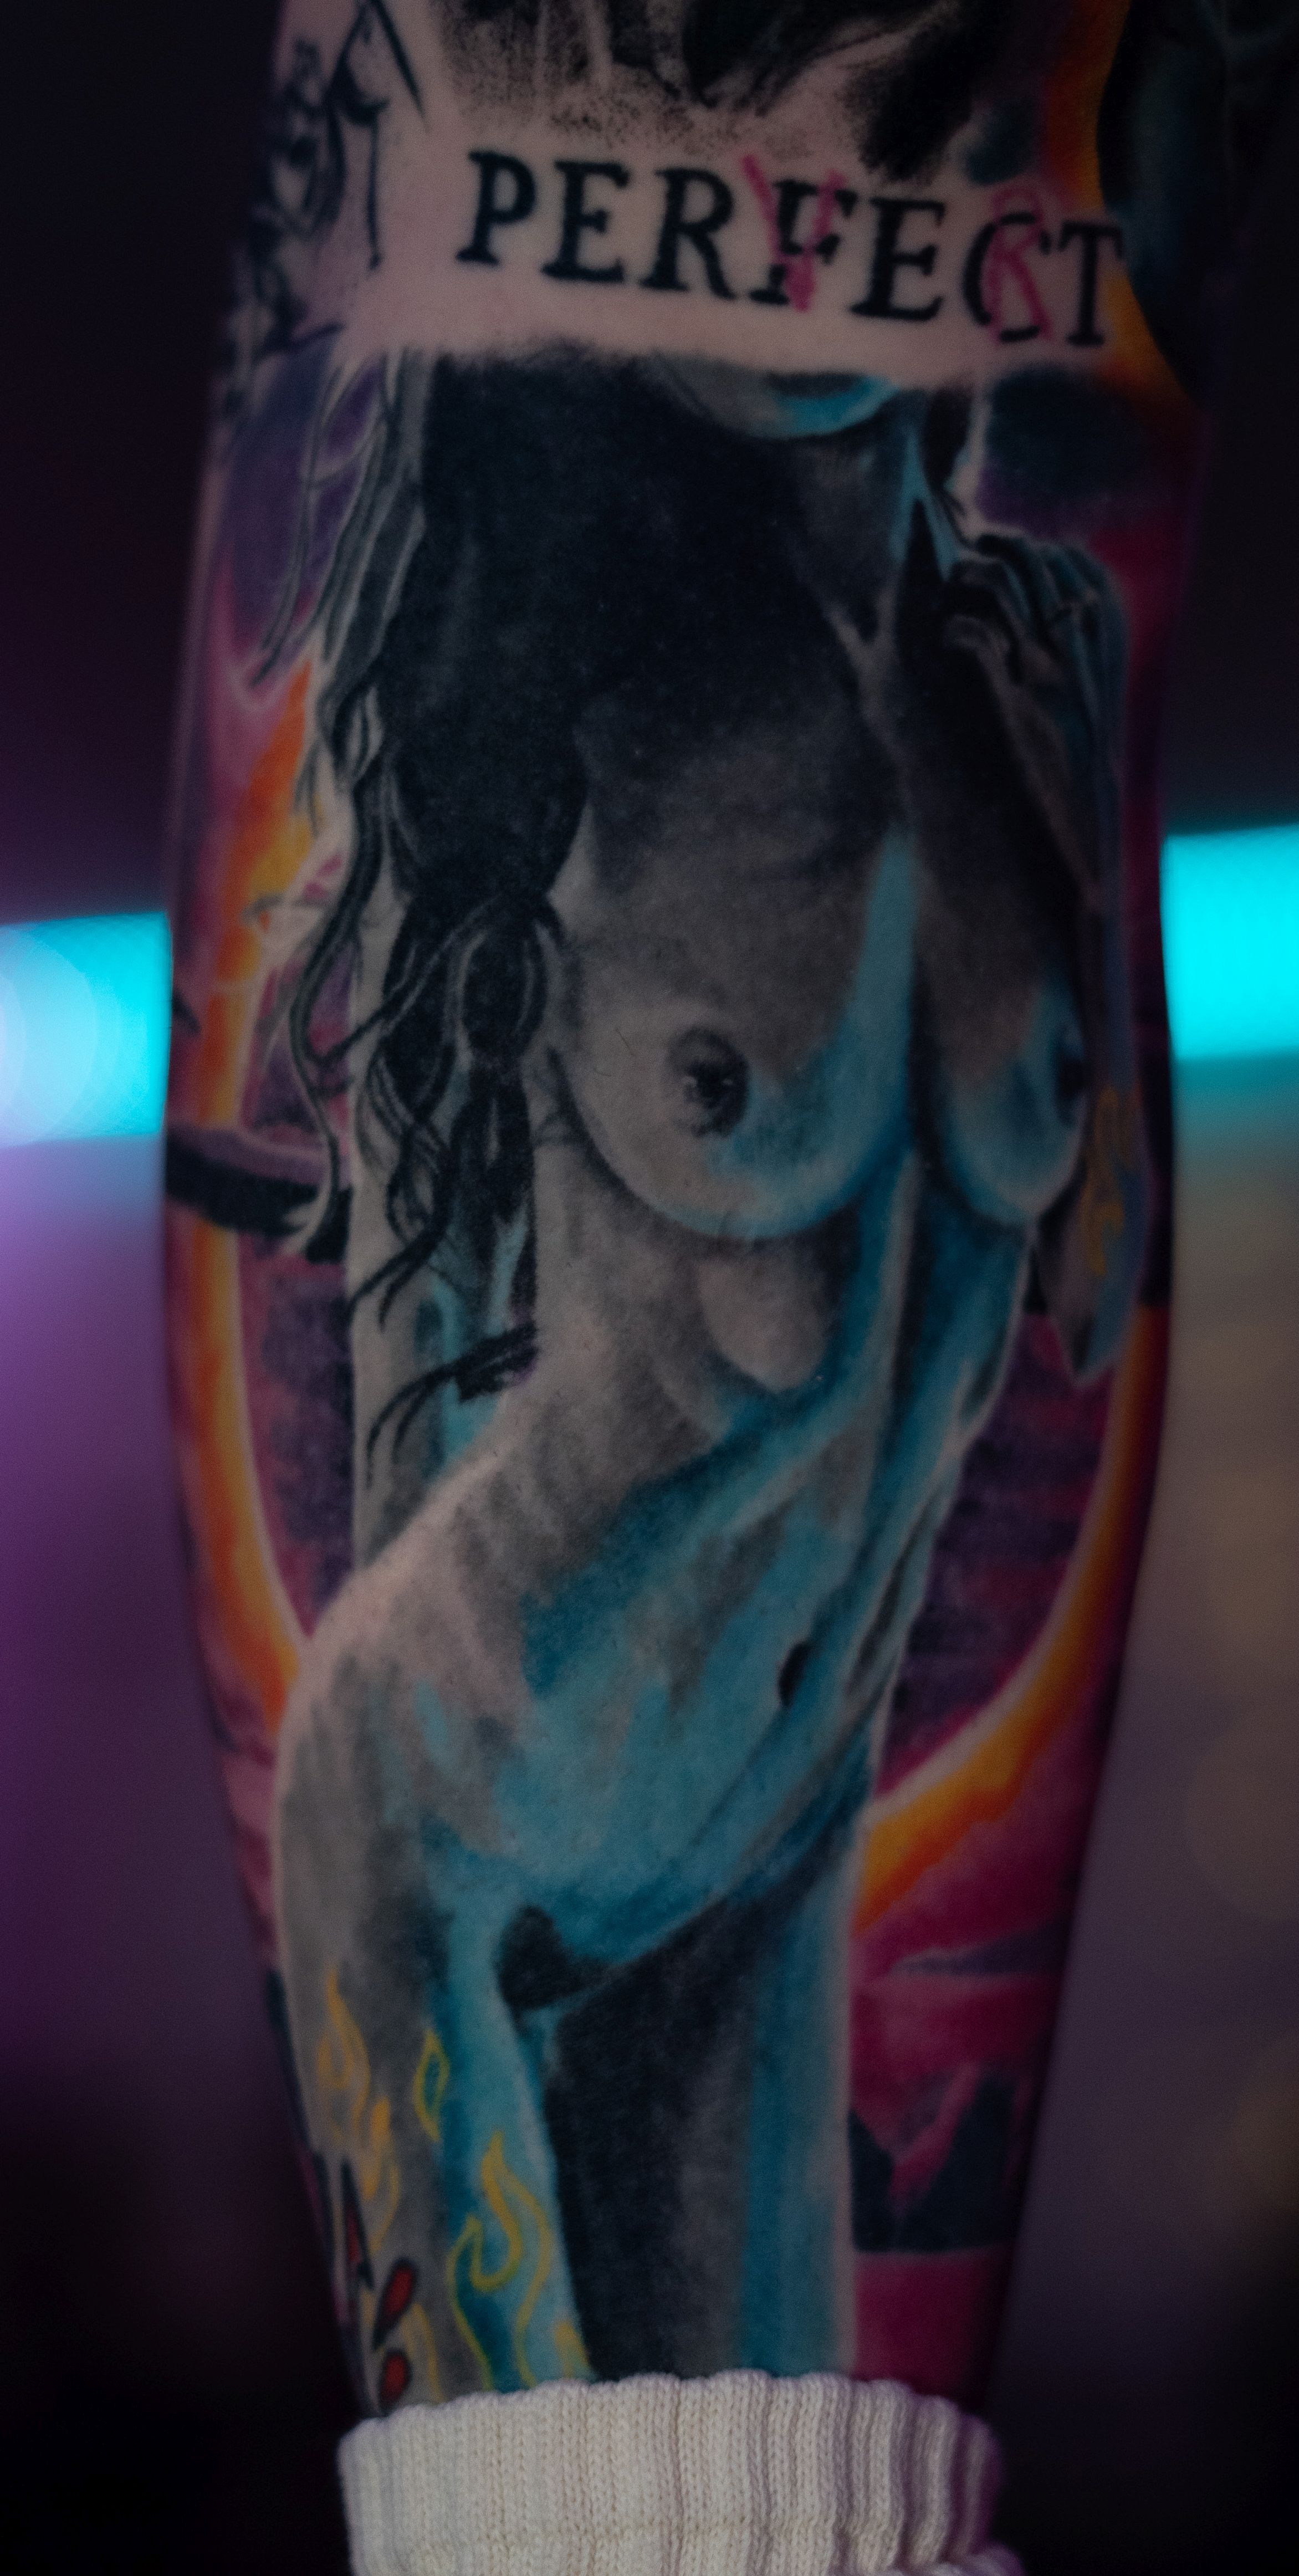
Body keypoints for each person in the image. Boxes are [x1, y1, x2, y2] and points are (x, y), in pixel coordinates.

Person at [163, 3, 1299, 2568]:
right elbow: (397, 1240)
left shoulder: (1015, 661)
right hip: (447, 1846)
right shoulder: (561, 690)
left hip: (775, 1870)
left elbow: (1066, 1290)